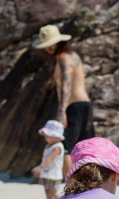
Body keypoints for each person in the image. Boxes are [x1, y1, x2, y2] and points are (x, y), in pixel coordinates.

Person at [32, 25, 95, 179]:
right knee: (86, 147)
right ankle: (87, 186)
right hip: (85, 105)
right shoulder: (73, 55)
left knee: (65, 146)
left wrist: (62, 112)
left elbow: (66, 86)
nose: (47, 49)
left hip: (74, 107)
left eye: (50, 44)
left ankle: (72, 188)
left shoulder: (63, 58)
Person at [32, 120, 65, 199]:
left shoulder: (57, 147)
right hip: (47, 173)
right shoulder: (48, 146)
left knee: (53, 192)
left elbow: (50, 159)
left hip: (54, 174)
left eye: (47, 136)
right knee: (47, 190)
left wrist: (40, 167)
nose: (45, 138)